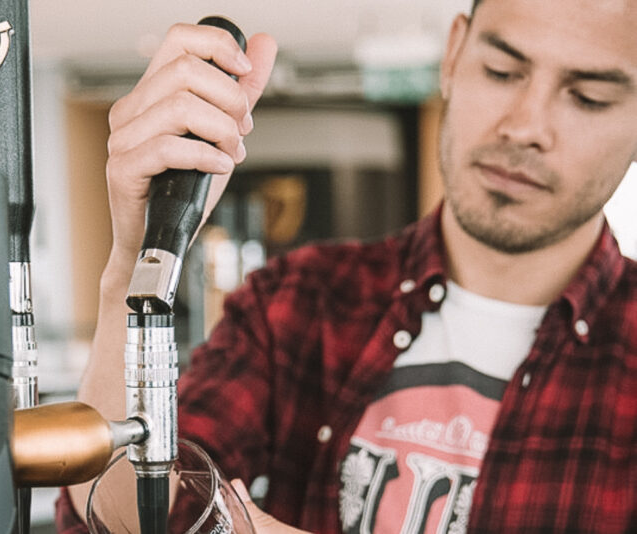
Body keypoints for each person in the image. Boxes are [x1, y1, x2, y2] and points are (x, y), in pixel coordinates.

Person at [58, 0, 637, 531]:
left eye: (589, 97)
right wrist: (137, 264)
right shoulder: (296, 301)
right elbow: (125, 519)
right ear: (455, 54)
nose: (525, 127)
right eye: (502, 72)